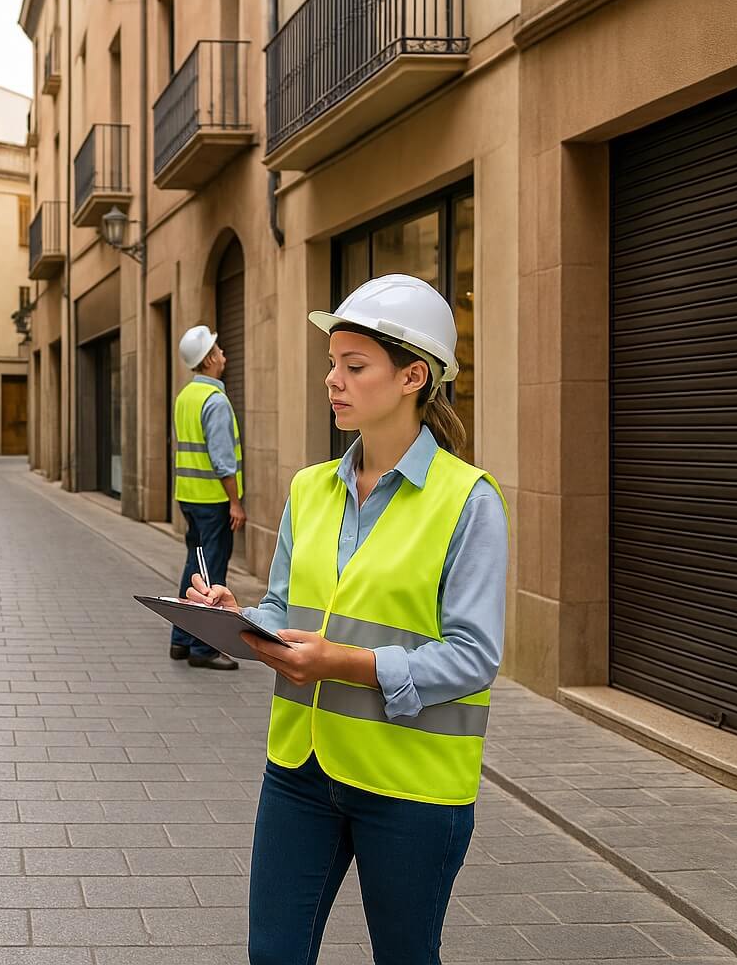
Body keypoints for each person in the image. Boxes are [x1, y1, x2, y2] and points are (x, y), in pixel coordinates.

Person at [184, 275, 508, 965]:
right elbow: (283, 608)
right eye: (333, 363)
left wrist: (343, 664)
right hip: (299, 771)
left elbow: (474, 657)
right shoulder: (309, 489)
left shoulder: (468, 501)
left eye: (354, 366)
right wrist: (238, 618)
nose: (332, 380)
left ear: (413, 377)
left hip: (411, 784)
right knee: (273, 954)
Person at [170, 325, 246, 670]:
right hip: (213, 500)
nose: (224, 355)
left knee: (194, 566)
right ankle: (203, 648)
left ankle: (181, 640)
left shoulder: (185, 396)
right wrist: (235, 502)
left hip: (188, 496)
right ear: (210, 358)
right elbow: (222, 460)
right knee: (212, 572)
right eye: (219, 350)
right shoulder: (215, 401)